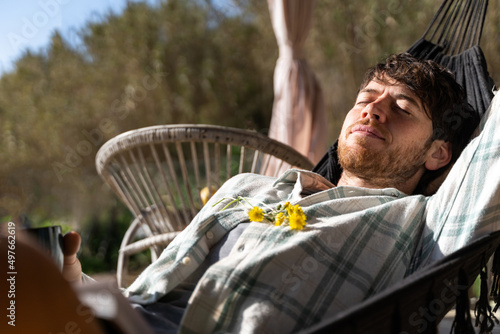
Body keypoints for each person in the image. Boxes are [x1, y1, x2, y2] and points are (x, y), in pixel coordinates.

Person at [6, 52, 500, 333]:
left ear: (438, 154)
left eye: (403, 107)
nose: (373, 111)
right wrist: (70, 276)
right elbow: (155, 284)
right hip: (121, 319)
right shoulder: (249, 186)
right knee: (15, 254)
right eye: (366, 99)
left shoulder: (424, 221)